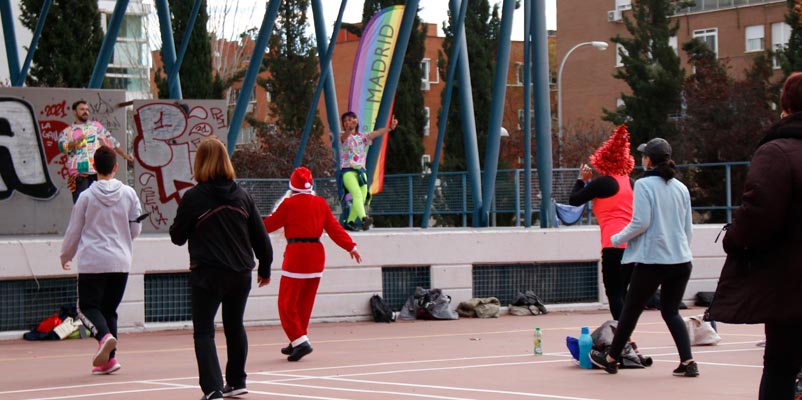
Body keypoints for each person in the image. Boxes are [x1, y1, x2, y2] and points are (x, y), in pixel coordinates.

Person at [709, 72, 802, 400]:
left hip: (792, 284)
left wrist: (734, 239)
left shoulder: (778, 151)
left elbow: (759, 211)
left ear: (785, 106)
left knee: (780, 365)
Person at [169, 137, 273, 400]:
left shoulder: (194, 197)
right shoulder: (242, 195)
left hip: (208, 273)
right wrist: (265, 267)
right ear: (226, 161)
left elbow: (177, 236)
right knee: (234, 325)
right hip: (241, 273)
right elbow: (261, 237)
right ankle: (237, 380)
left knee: (204, 330)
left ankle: (213, 388)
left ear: (199, 163)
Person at [589, 137, 698, 377]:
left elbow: (641, 222)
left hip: (653, 261)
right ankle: (688, 362)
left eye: (644, 155)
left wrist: (617, 239)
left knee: (630, 310)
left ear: (648, 160)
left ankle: (611, 358)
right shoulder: (681, 187)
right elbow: (687, 227)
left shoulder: (644, 185)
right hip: (681, 260)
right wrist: (680, 249)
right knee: (671, 312)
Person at [263, 167, 362, 361]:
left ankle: (300, 341)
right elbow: (334, 228)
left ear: (292, 186)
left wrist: (247, 229)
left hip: (296, 257)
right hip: (316, 258)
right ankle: (297, 340)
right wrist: (351, 246)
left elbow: (269, 225)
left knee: (286, 303)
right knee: (304, 303)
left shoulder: (288, 204)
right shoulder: (320, 203)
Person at [60, 145, 142, 375]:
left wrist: (66, 255)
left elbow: (74, 230)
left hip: (93, 262)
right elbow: (136, 227)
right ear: (116, 167)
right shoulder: (129, 193)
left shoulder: (86, 197)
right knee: (109, 310)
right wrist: (126, 240)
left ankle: (104, 336)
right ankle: (109, 360)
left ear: (94, 167)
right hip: (121, 261)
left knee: (86, 307)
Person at [568, 125, 635, 320]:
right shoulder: (632, 182)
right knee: (623, 293)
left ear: (603, 160)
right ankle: (625, 336)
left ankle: (624, 339)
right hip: (633, 245)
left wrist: (582, 179)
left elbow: (574, 200)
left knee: (613, 294)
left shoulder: (603, 183)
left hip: (613, 244)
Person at [58, 100, 134, 203]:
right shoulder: (68, 131)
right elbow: (61, 147)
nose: (85, 112)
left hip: (96, 171)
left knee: (98, 204)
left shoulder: (95, 126)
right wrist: (76, 142)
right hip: (78, 173)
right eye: (82, 109)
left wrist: (124, 155)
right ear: (74, 112)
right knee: (82, 204)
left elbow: (110, 141)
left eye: (87, 109)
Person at [338, 111, 398, 231]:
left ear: (356, 121)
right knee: (357, 194)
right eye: (345, 121)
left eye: (350, 120)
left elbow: (376, 133)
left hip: (361, 171)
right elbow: (345, 137)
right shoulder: (343, 136)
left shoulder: (362, 137)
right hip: (348, 171)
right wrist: (349, 129)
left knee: (362, 196)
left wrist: (389, 128)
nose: (347, 123)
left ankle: (349, 222)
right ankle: (364, 218)